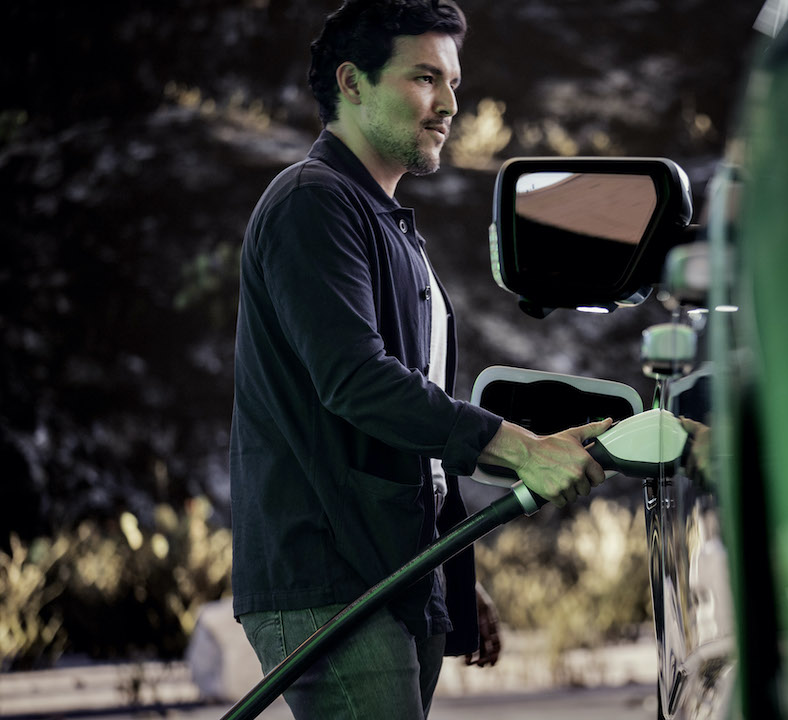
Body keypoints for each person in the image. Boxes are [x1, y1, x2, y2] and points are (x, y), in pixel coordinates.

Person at [228, 1, 611, 716]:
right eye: (424, 77)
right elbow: (359, 382)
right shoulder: (312, 204)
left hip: (391, 574)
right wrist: (521, 450)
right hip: (331, 578)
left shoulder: (387, 225)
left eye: (454, 82)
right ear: (352, 82)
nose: (448, 104)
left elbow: (412, 447)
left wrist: (451, 579)